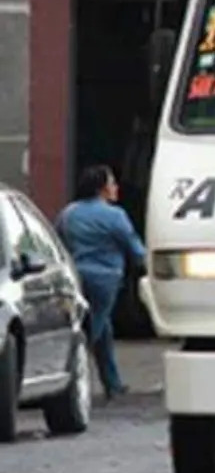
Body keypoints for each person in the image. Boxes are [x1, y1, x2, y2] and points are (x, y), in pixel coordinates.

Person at [54, 165, 147, 400]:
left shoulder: (69, 213)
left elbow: (58, 241)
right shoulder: (115, 215)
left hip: (76, 275)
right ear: (103, 188)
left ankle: (113, 383)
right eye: (112, 183)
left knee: (103, 329)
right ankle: (67, 381)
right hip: (106, 279)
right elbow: (134, 248)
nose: (116, 188)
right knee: (92, 330)